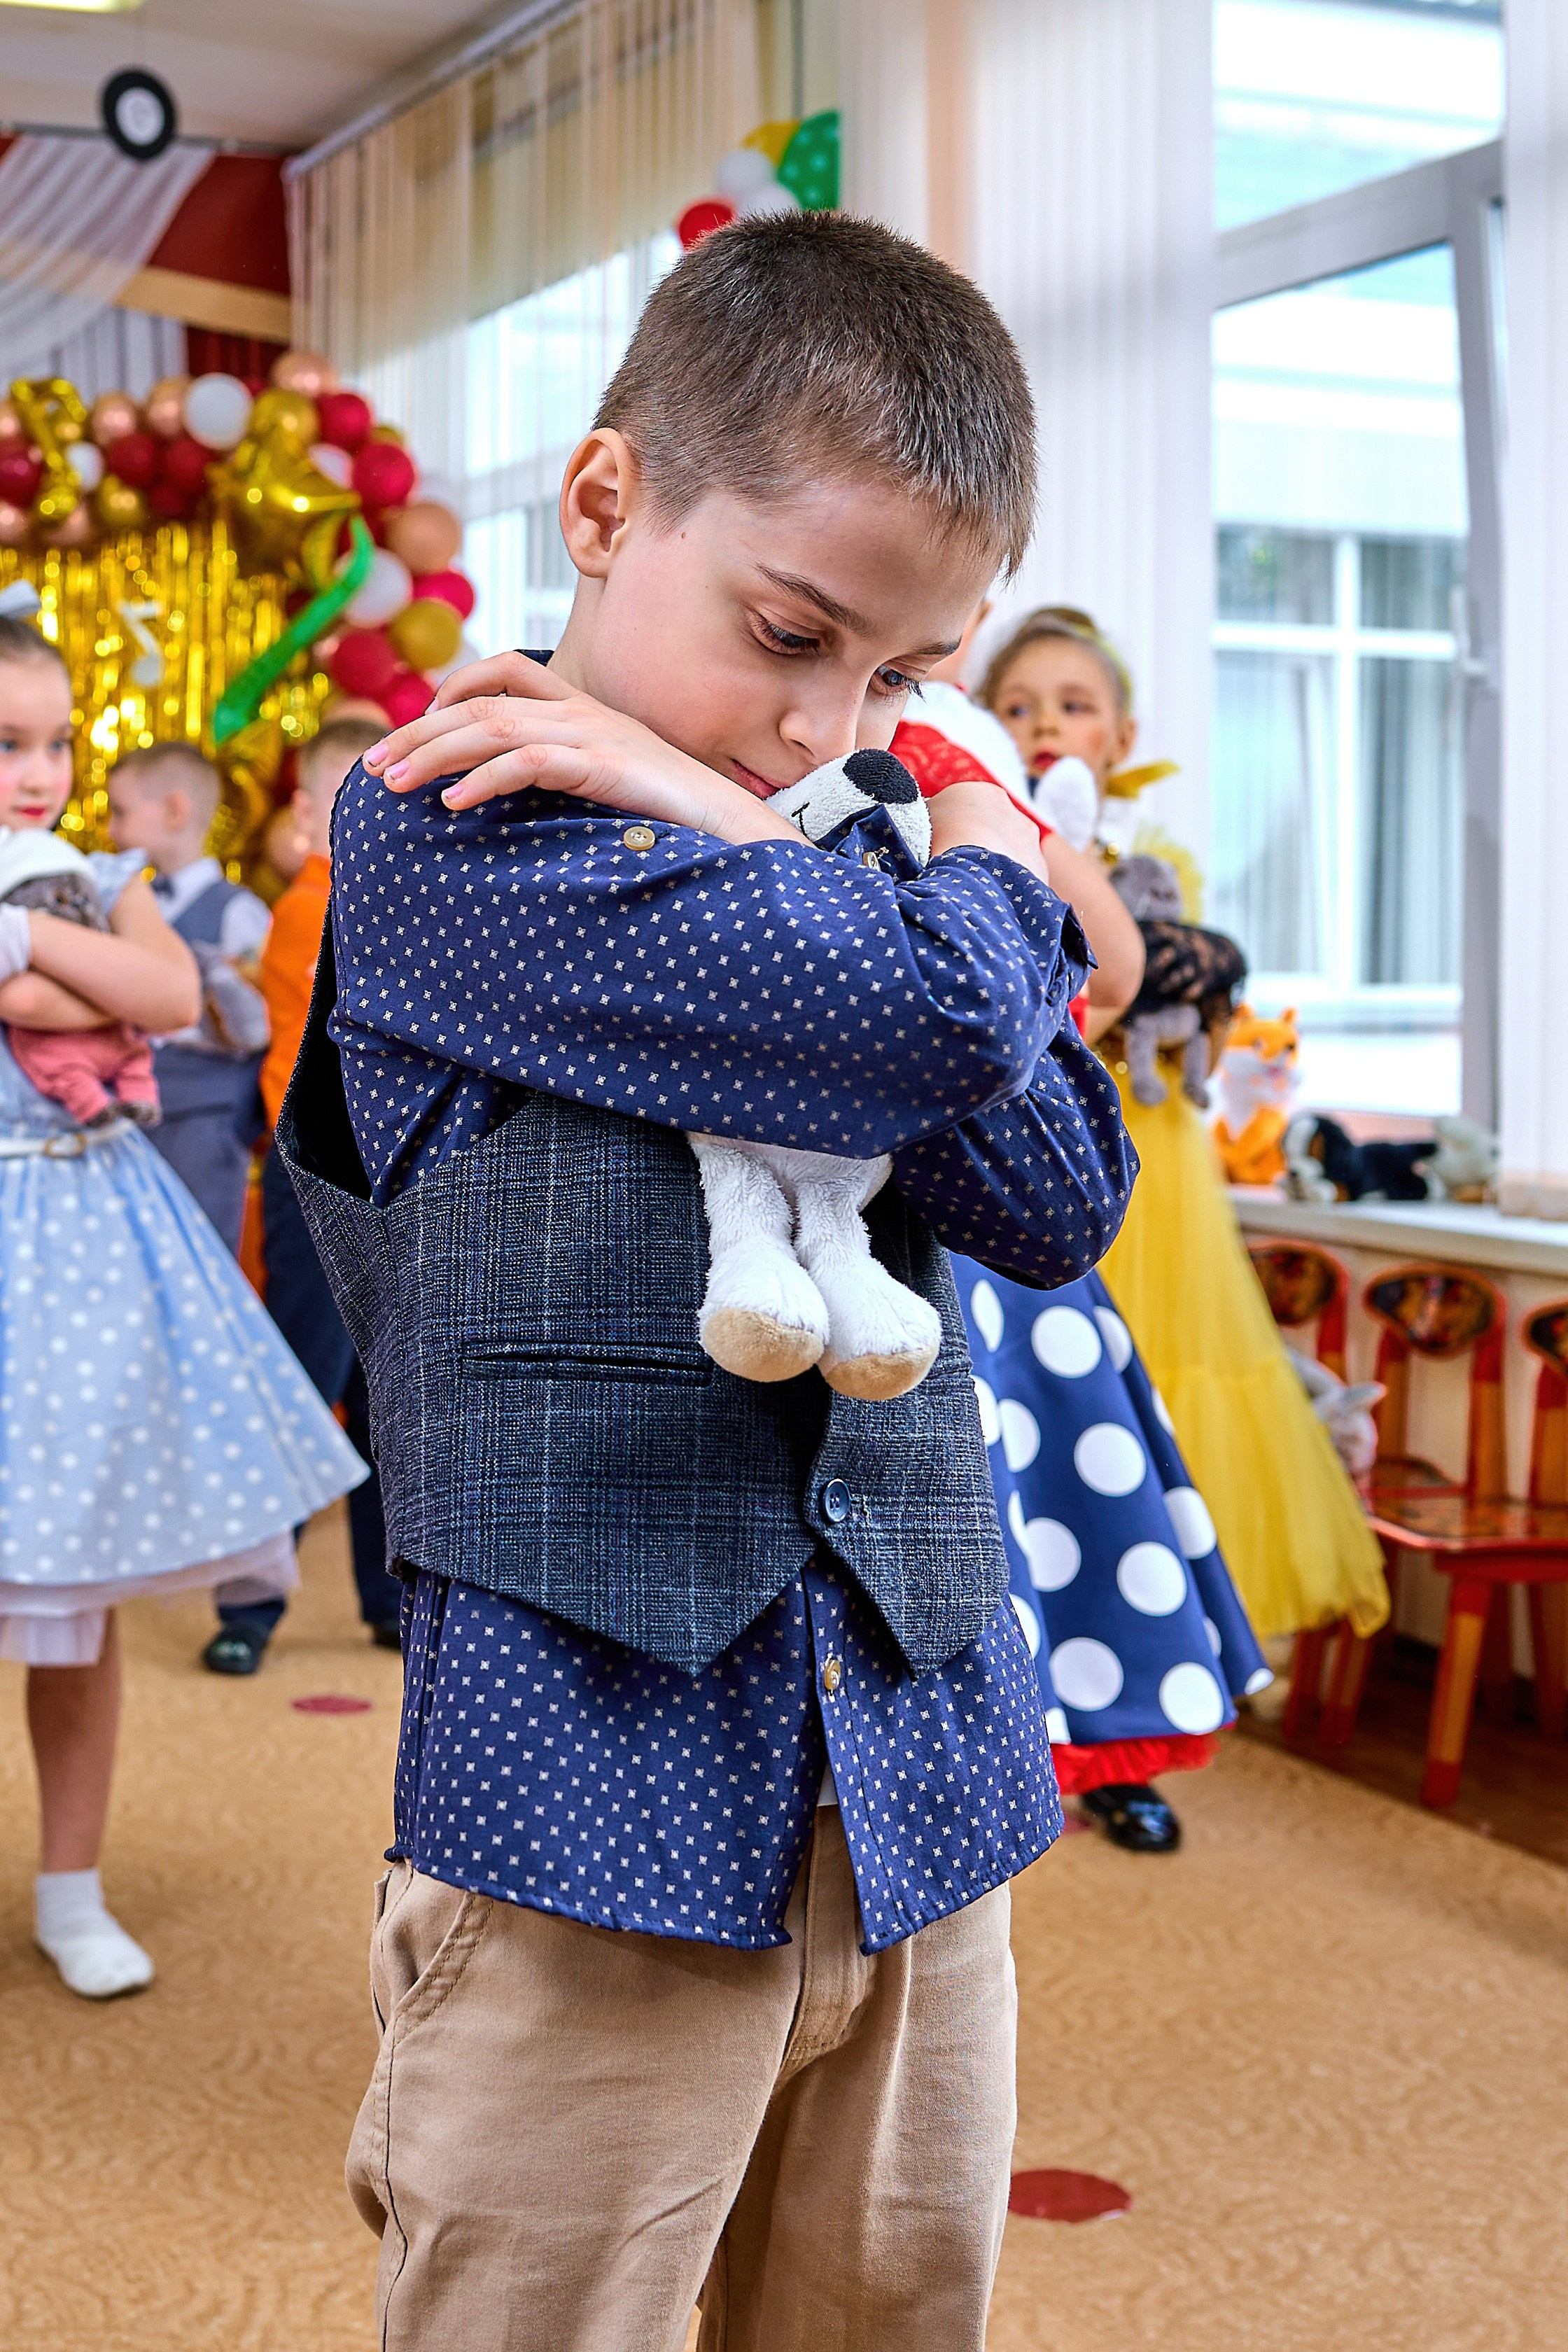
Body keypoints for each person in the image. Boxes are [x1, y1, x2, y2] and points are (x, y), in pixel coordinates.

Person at [279, 213, 1135, 2351]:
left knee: (883, 2312)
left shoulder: (816, 846)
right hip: (590, 1787)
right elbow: (964, 1036)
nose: (814, 725)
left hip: (927, 1767)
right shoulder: (454, 820)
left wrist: (741, 822)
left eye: (899, 685)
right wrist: (942, 847)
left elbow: (1052, 1184)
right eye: (786, 633)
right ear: (600, 503)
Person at [0, 614, 366, 1998]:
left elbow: (162, 990)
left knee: (73, 1601)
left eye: (54, 742)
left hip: (81, 1251)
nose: (37, 772)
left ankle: (72, 1886)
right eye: (4, 744)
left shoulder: (105, 877)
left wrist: (27, 945)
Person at [897, 622, 1269, 1853]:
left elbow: (1127, 971)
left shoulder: (947, 775)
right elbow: (1110, 973)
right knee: (1011, 1481)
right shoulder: (963, 784)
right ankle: (999, 1739)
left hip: (1004, 1200)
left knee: (1017, 1481)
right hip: (991, 1202)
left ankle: (1052, 1745)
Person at [980, 606, 1388, 1648]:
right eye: (1018, 706)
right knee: (1057, 1409)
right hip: (1044, 1152)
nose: (1047, 725)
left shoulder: (1150, 854)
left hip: (1151, 1162)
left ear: (1120, 736)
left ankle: (1173, 1668)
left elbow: (1167, 963)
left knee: (1161, 1391)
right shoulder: (973, 830)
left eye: (1075, 706)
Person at [200, 713, 398, 1676]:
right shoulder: (305, 907)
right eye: (353, 795)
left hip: (398, 1176)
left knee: (383, 1396)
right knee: (301, 1386)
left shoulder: (406, 898)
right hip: (320, 1171)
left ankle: (385, 1594)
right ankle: (253, 1600)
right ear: (310, 814)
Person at [104, 743, 272, 1254]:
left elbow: (258, 1028)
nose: (111, 830)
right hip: (127, 1113)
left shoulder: (238, 912)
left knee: (198, 1253)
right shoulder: (127, 907)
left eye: (121, 812)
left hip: (205, 1116)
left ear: (175, 810)